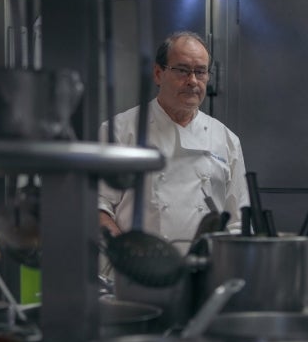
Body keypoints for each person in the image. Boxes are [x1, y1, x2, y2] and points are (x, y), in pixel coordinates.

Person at [99, 31, 249, 251]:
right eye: (182, 70)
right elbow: (97, 208)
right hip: (136, 273)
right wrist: (125, 256)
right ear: (158, 74)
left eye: (200, 72)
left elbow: (238, 222)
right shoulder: (119, 131)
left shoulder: (226, 139)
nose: (192, 81)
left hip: (206, 273)